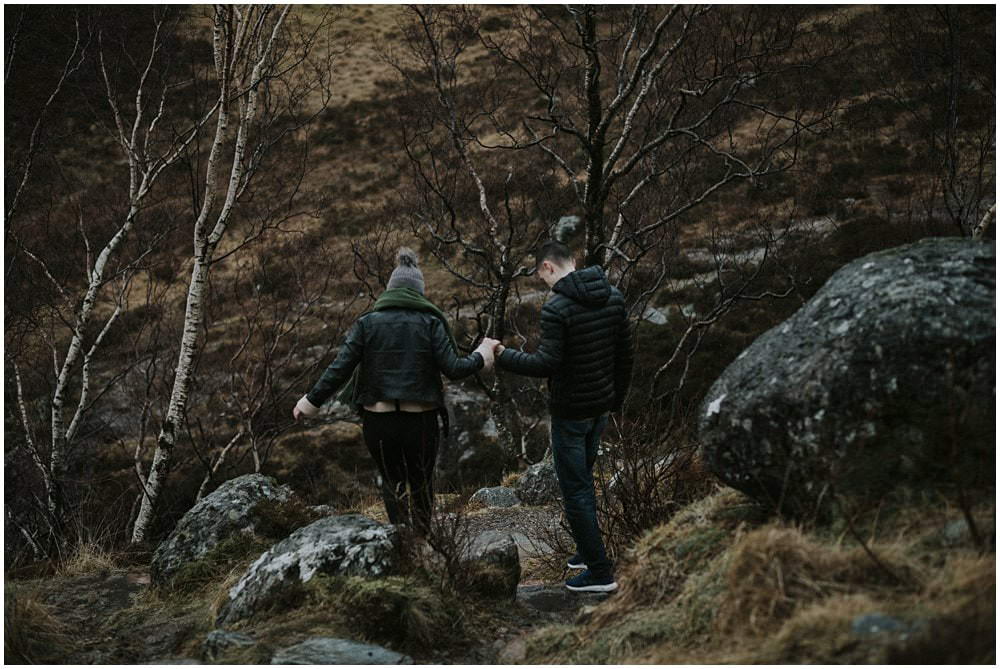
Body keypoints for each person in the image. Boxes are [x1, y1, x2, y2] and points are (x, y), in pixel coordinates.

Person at [293, 248, 498, 535]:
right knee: (422, 483)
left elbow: (339, 368)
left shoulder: (367, 323)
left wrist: (309, 402)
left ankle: (402, 542)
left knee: (392, 482)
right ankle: (423, 542)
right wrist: (482, 354)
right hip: (421, 421)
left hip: (379, 421)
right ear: (419, 292)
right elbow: (453, 368)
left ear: (390, 290)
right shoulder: (431, 322)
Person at [493, 240, 634, 593]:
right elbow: (626, 356)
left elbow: (545, 364)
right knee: (583, 481)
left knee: (576, 490)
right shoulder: (613, 296)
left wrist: (502, 354)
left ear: (547, 268)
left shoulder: (558, 307)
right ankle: (587, 552)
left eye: (541, 276)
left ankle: (600, 573)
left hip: (571, 413)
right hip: (599, 407)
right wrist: (614, 400)